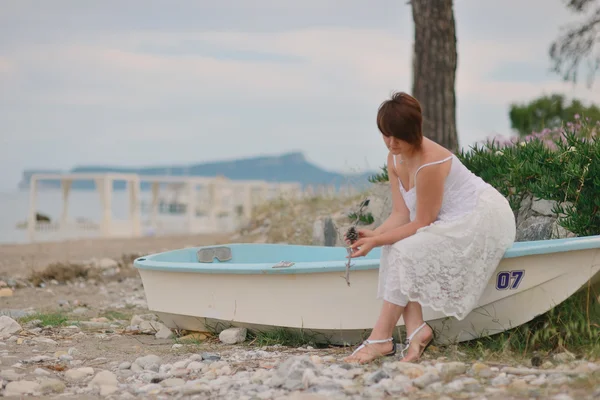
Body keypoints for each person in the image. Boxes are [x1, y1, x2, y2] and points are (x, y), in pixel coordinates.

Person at [343, 92, 516, 364]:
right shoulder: (394, 158)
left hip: (480, 216)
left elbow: (422, 223)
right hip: (442, 218)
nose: (391, 143)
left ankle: (380, 339)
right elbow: (402, 213)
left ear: (414, 131)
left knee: (402, 249)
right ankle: (417, 330)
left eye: (397, 136)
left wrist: (378, 241)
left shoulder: (430, 163)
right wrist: (375, 235)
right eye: (385, 135)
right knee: (394, 245)